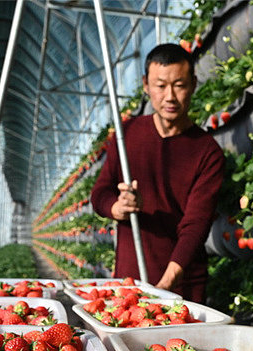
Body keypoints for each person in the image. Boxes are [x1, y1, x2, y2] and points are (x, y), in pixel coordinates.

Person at [90, 43, 225, 303]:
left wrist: (167, 284)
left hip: (181, 285)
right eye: (161, 85)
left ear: (194, 84)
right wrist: (118, 207)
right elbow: (100, 193)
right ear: (146, 85)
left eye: (179, 85)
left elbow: (196, 224)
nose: (170, 96)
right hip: (129, 281)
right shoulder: (126, 134)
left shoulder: (207, 151)